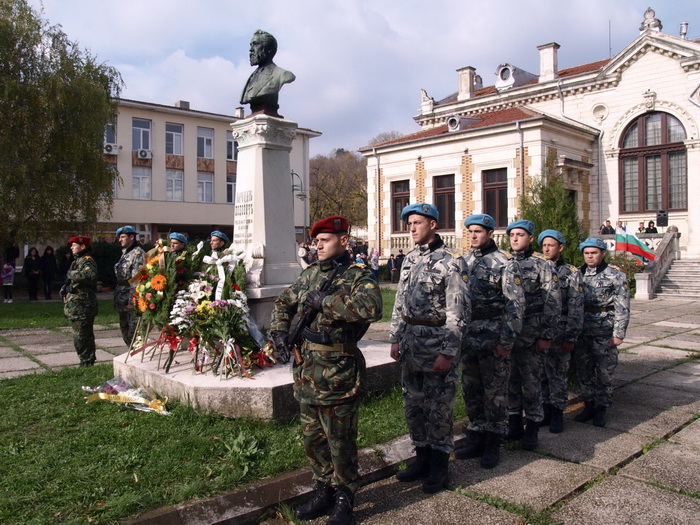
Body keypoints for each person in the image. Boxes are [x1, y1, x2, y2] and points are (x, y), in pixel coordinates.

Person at [270, 215, 382, 525]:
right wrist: (279, 332)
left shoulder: (358, 275)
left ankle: (345, 496)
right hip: (307, 371)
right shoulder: (310, 274)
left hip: (338, 372)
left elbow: (372, 307)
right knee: (313, 438)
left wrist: (326, 302)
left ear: (343, 241)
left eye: (324, 240)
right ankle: (323, 490)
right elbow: (283, 302)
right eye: (316, 241)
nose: (317, 245)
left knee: (340, 440)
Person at [390, 203, 469, 493]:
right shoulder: (410, 259)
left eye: (417, 223)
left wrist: (448, 352)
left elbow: (458, 311)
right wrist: (395, 338)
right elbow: (400, 302)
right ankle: (421, 458)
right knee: (413, 407)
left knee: (438, 411)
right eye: (409, 223)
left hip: (436, 347)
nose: (411, 228)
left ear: (433, 224)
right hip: (411, 346)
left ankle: (439, 467)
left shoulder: (452, 261)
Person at [456, 214, 524, 469]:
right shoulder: (464, 261)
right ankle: (476, 436)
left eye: (478, 231)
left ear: (490, 234)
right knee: (471, 390)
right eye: (470, 231)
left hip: (493, 337)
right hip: (468, 338)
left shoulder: (504, 263)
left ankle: (493, 442)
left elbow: (515, 305)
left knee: (494, 393)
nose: (473, 236)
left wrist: (506, 341)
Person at [505, 220, 561, 450]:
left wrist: (546, 335)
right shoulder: (503, 261)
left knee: (532, 383)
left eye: (520, 235)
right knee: (510, 381)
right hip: (509, 335)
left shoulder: (543, 264)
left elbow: (553, 302)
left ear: (530, 238)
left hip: (531, 334)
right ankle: (514, 423)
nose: (515, 239)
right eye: (512, 235)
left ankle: (533, 427)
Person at [573, 238, 630, 428]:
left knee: (605, 372)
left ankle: (601, 408)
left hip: (604, 332)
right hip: (582, 332)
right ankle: (588, 405)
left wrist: (618, 334)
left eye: (594, 253)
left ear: (603, 253)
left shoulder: (615, 275)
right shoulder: (577, 274)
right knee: (584, 370)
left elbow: (623, 307)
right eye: (587, 253)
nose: (590, 256)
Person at [538, 230, 584, 434]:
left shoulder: (571, 273)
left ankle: (557, 413)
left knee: (558, 374)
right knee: (540, 374)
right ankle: (545, 411)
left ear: (561, 247)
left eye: (551, 245)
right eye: (544, 245)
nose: (547, 249)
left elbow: (576, 307)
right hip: (539, 331)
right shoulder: (537, 268)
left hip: (561, 331)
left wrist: (571, 336)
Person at [240, 30, 296, 117]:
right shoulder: (252, 77)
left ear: (269, 49)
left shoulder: (282, 74)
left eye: (256, 44)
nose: (251, 49)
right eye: (251, 45)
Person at [60, 236, 98, 366]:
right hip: (77, 304)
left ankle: (86, 361)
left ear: (83, 246)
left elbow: (90, 275)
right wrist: (64, 290)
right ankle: (86, 360)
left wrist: (71, 274)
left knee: (82, 335)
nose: (71, 247)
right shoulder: (77, 260)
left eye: (74, 245)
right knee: (81, 334)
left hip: (83, 305)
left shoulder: (87, 260)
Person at [114, 225, 146, 346]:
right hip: (122, 298)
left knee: (133, 334)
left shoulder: (138, 254)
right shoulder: (126, 253)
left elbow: (136, 280)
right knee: (125, 331)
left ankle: (136, 354)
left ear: (131, 237)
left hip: (130, 299)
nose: (120, 240)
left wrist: (132, 301)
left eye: (123, 237)